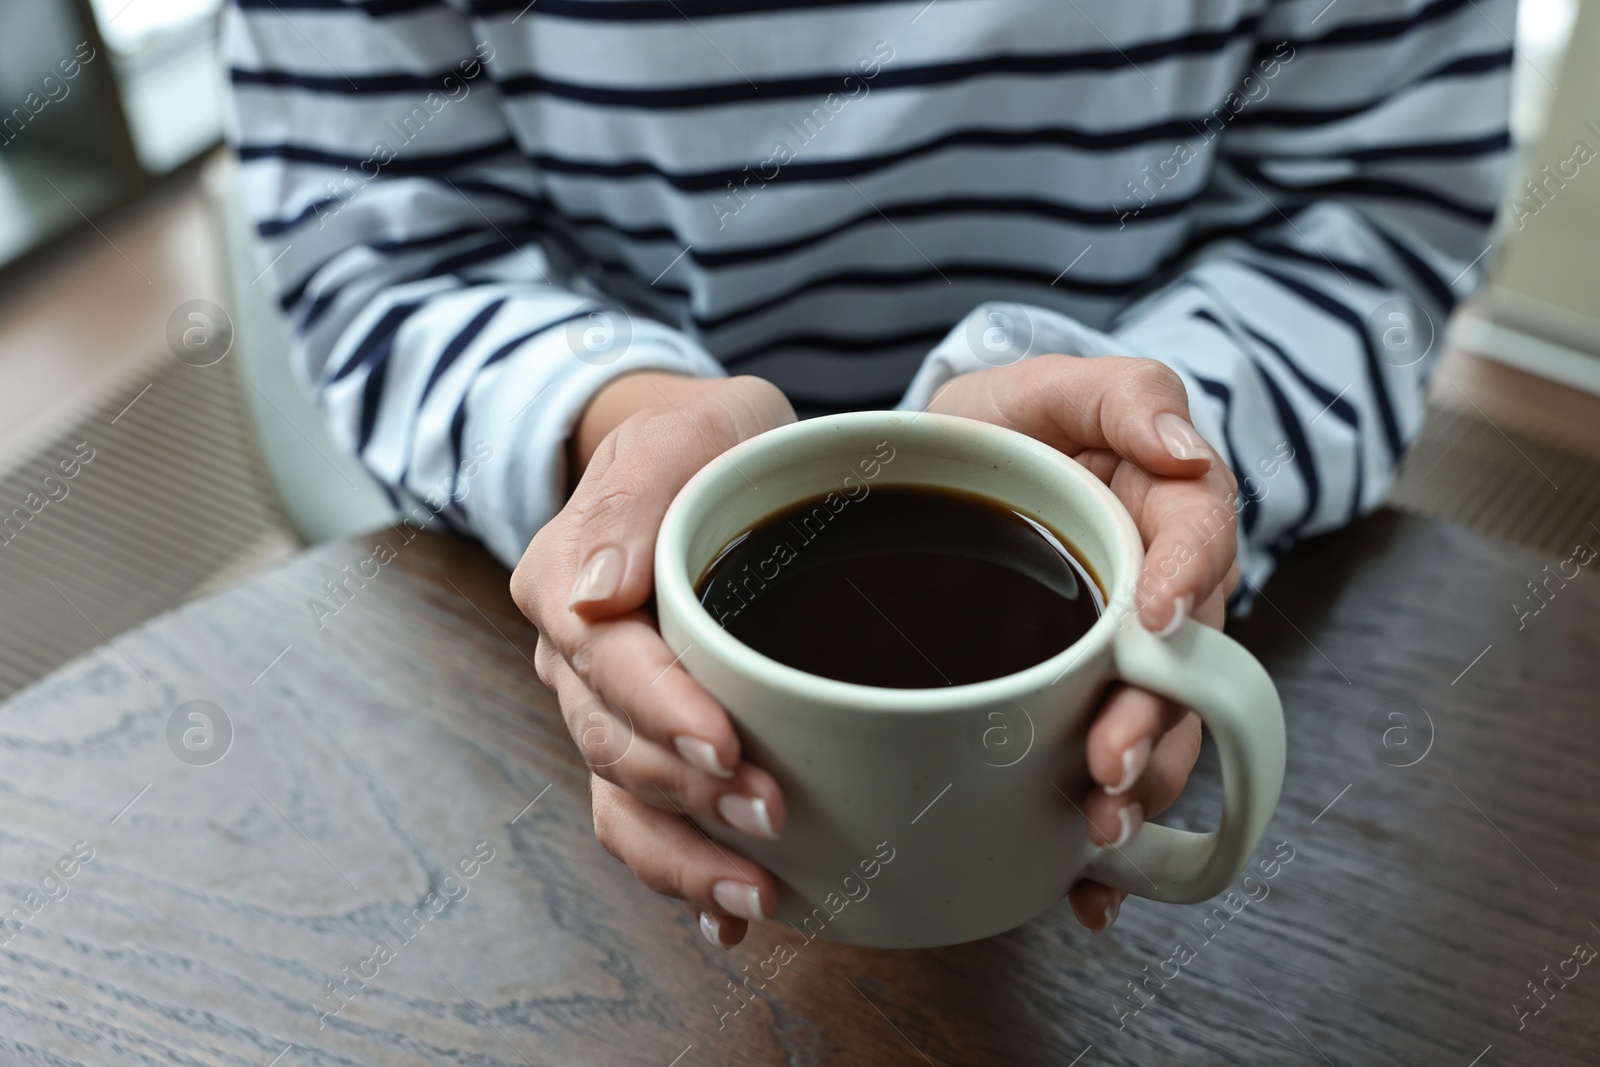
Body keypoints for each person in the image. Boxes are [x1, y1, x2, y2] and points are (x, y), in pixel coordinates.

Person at [225, 0, 1510, 945]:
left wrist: (1177, 450)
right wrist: (610, 436)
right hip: (573, 705)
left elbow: (1370, 212)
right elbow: (381, 247)